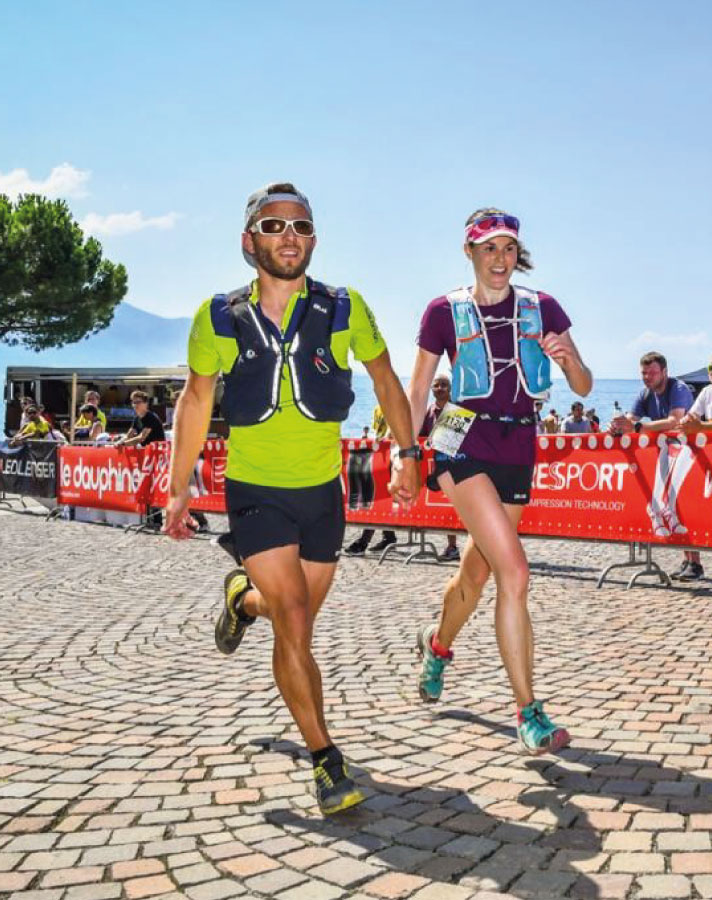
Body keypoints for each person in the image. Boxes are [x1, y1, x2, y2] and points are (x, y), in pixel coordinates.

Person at [164, 182, 419, 814]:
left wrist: (408, 453)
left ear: (314, 240)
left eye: (301, 226)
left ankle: (242, 601)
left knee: (289, 619)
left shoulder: (344, 307)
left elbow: (386, 379)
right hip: (256, 491)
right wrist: (177, 489)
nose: (289, 236)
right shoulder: (217, 317)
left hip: (322, 494)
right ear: (248, 239)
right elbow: (195, 401)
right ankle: (326, 759)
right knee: (297, 618)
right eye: (275, 225)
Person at [407, 207, 591, 755]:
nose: (500, 258)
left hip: (517, 443)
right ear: (469, 251)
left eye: (508, 248)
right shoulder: (443, 311)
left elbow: (584, 385)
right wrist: (403, 453)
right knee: (515, 571)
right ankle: (529, 713)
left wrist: (567, 362)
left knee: (479, 571)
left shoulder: (543, 307)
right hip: (459, 439)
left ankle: (437, 645)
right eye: (489, 248)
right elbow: (417, 391)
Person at [610, 352, 701, 581]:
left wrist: (638, 427)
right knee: (674, 504)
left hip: (693, 454)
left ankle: (696, 563)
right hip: (669, 452)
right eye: (644, 373)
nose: (647, 377)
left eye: (652, 373)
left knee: (684, 504)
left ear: (664, 372)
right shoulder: (645, 393)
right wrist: (619, 426)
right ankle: (688, 560)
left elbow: (674, 420)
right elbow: (631, 419)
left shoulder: (678, 388)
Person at [343, 405, 398, 556]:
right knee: (379, 499)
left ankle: (364, 541)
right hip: (380, 456)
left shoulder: (397, 404)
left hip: (391, 457)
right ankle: (389, 537)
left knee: (378, 499)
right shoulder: (377, 408)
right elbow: (378, 432)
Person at [420, 374, 460, 561]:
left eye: (444, 385)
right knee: (444, 509)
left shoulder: (457, 410)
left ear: (450, 389)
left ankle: (460, 546)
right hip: (436, 469)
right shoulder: (428, 411)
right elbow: (421, 438)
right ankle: (452, 546)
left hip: (458, 468)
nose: (440, 388)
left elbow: (451, 440)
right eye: (436, 385)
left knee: (461, 509)